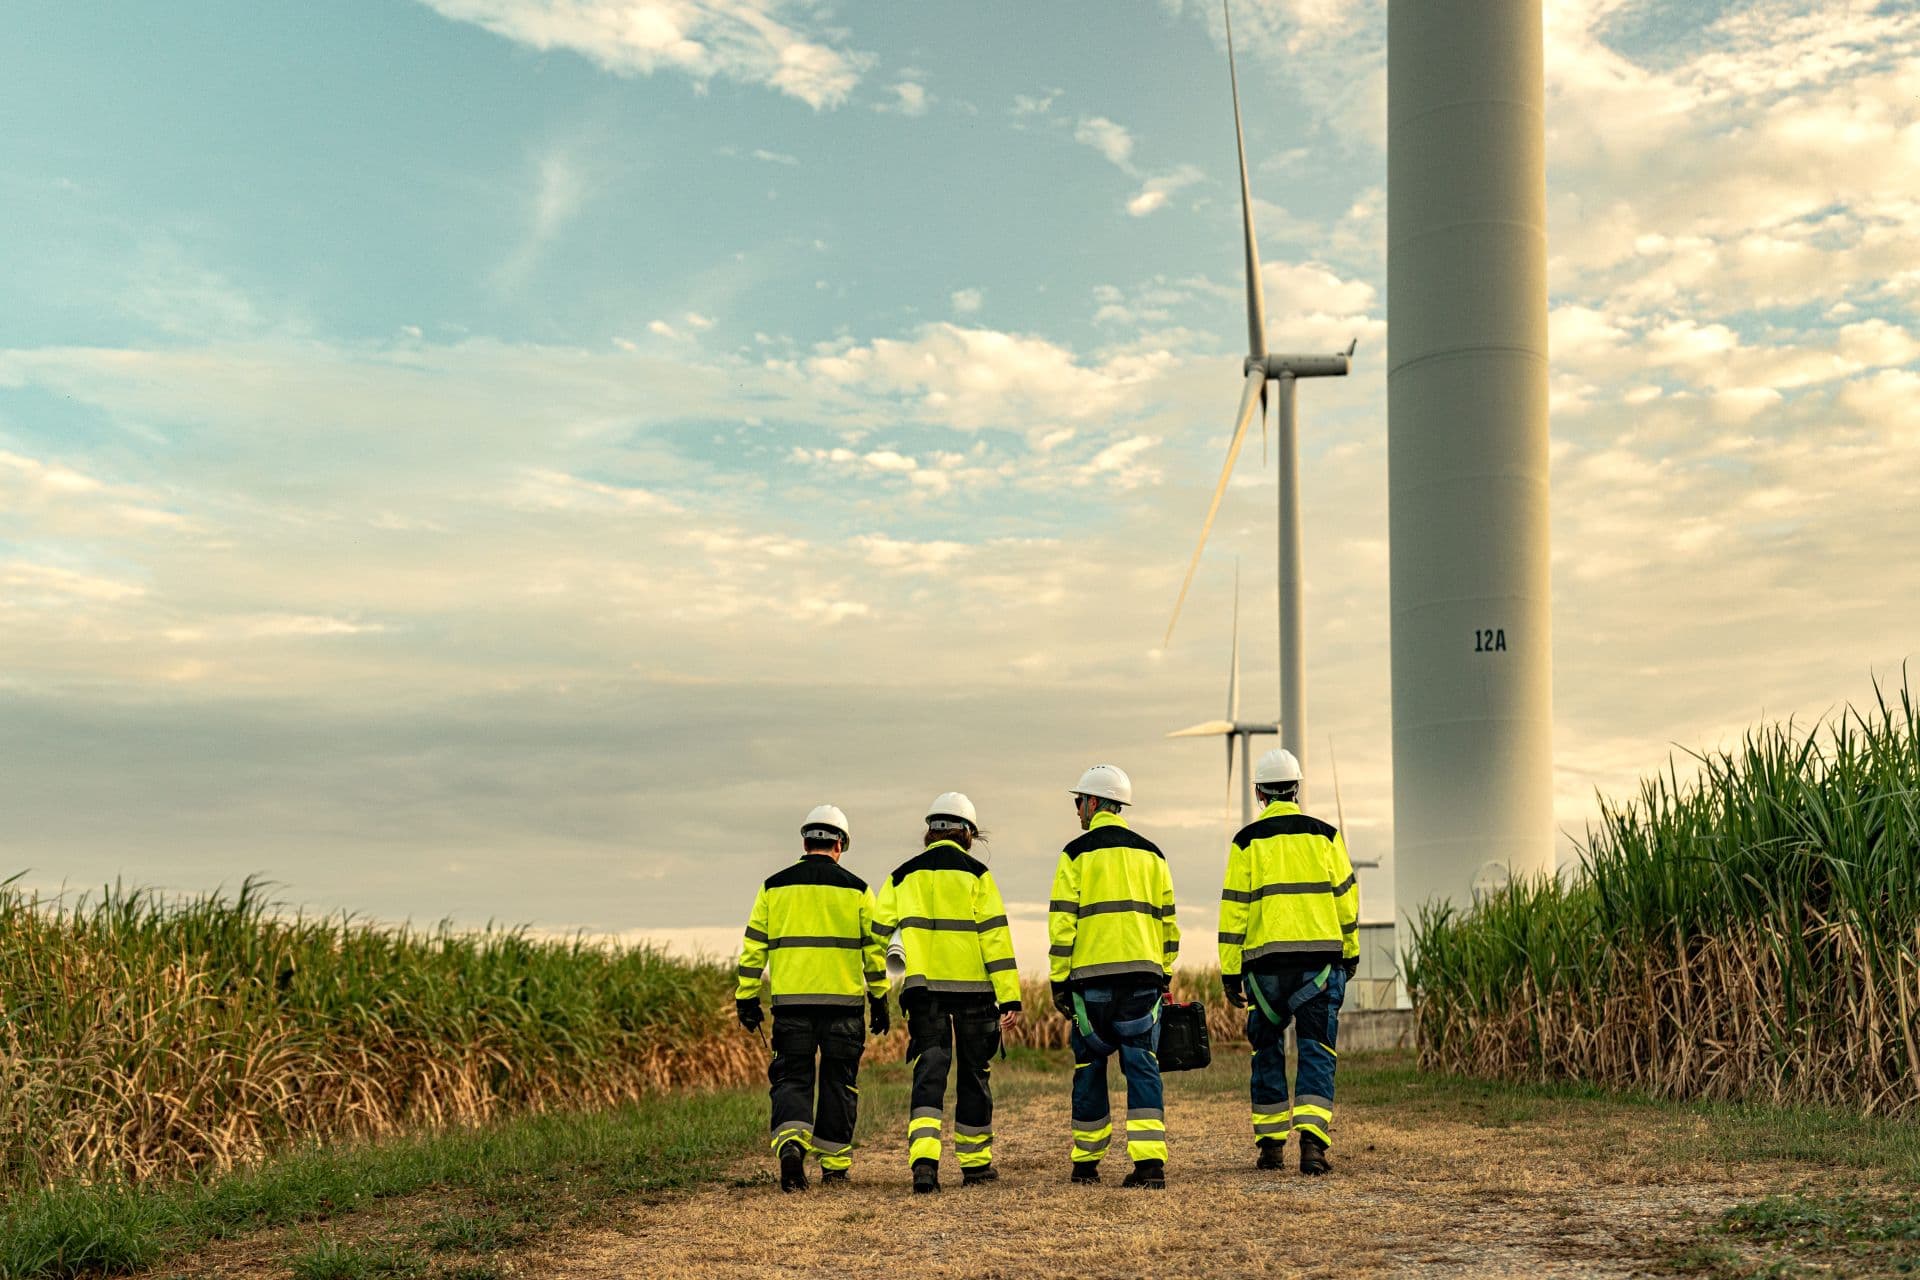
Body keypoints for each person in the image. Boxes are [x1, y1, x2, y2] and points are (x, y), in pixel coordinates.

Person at [1217, 749, 1360, 1176]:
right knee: (1317, 1051)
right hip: (1320, 966)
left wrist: (1229, 971)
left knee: (1266, 1052)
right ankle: (1312, 1148)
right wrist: (1350, 953)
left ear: (1259, 794)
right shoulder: (1326, 836)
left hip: (1265, 972)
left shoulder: (1246, 841)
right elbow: (1346, 900)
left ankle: (1271, 1148)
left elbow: (1234, 911)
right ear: (1296, 789)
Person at [873, 792, 1023, 1195]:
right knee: (974, 1074)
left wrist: (876, 990)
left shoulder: (902, 876)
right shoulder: (978, 875)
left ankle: (924, 1167)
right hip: (975, 994)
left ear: (931, 831)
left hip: (924, 993)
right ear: (968, 834)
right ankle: (975, 1166)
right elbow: (995, 939)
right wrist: (1010, 996)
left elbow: (876, 937)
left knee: (929, 1074)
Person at [735, 804, 890, 1192]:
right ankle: (834, 1168)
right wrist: (880, 998)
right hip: (844, 1008)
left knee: (791, 1079)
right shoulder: (858, 890)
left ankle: (791, 1147)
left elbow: (753, 948)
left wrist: (746, 997)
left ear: (805, 843)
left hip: (792, 1006)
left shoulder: (773, 887)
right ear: (840, 845)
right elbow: (874, 951)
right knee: (840, 1083)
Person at [1047, 764, 1179, 1189]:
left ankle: (1086, 1164)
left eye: (1078, 802)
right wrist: (1165, 973)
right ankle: (1150, 1165)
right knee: (1142, 1065)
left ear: (1093, 802)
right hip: (1143, 982)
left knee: (1089, 1066)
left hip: (1091, 986)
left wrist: (1059, 980)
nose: (1076, 810)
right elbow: (1168, 924)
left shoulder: (1074, 854)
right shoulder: (1153, 855)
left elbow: (1062, 926)